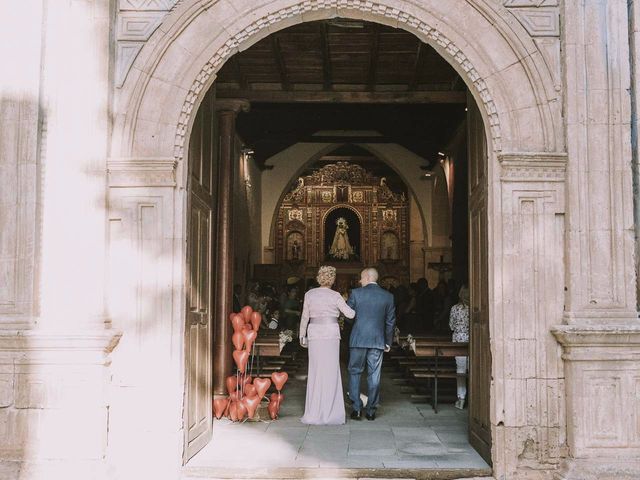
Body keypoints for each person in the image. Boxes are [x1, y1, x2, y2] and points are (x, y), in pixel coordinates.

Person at [299, 266, 355, 425]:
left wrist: (302, 336)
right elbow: (350, 314)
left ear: (319, 277)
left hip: (315, 334)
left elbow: (304, 318)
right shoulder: (336, 295)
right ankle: (332, 412)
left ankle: (314, 411)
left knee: (316, 371)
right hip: (331, 334)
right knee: (331, 371)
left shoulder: (309, 294)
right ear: (332, 279)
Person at [346, 268, 396, 421]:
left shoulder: (356, 293)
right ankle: (371, 411)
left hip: (358, 339)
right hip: (377, 340)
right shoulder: (388, 296)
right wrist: (388, 341)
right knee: (374, 374)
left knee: (355, 371)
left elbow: (348, 317)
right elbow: (390, 322)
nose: (360, 281)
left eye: (361, 278)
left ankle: (356, 408)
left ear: (367, 277)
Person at [449, 285, 470, 409]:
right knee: (474, 371)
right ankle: (475, 398)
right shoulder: (474, 308)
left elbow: (451, 326)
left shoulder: (455, 308)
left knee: (461, 371)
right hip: (473, 341)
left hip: (458, 341)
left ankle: (461, 399)